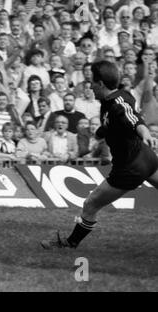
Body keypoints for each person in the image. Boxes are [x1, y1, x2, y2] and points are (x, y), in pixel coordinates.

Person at [41, 61, 158, 250]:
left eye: (92, 82)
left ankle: (70, 244)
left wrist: (145, 133)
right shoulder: (111, 102)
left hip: (130, 168)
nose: (90, 87)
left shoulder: (119, 103)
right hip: (148, 159)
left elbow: (132, 118)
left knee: (90, 204)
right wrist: (84, 146)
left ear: (101, 84)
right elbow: (106, 129)